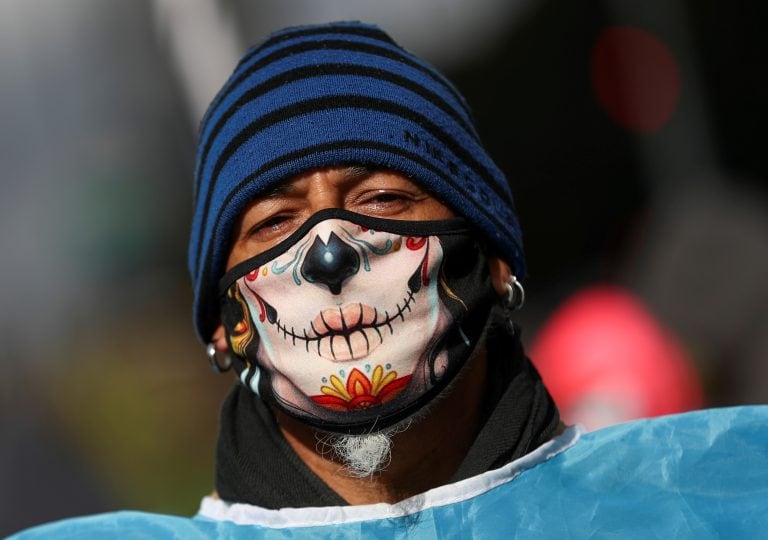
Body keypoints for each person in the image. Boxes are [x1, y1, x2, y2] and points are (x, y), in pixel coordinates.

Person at [11, 21, 767, 539]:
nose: (329, 255)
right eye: (274, 223)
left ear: (496, 258)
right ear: (223, 322)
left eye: (381, 200)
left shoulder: (711, 504)